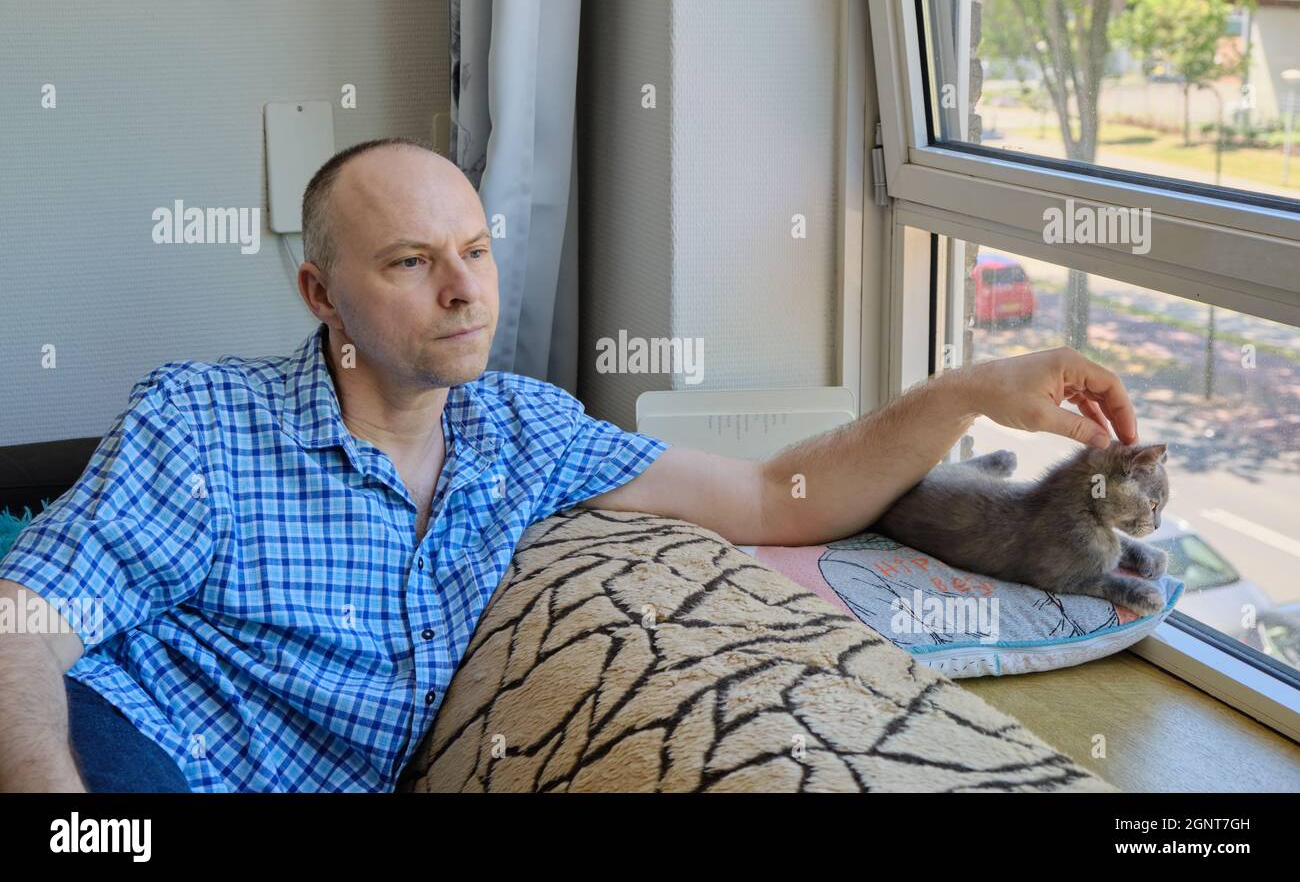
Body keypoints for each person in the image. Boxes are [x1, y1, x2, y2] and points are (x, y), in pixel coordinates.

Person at [0, 137, 1137, 793]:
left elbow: (773, 497)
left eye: (477, 250)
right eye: (411, 260)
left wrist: (967, 390)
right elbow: (20, 621)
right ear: (321, 293)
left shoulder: (522, 433)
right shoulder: (206, 420)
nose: (465, 289)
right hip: (121, 752)